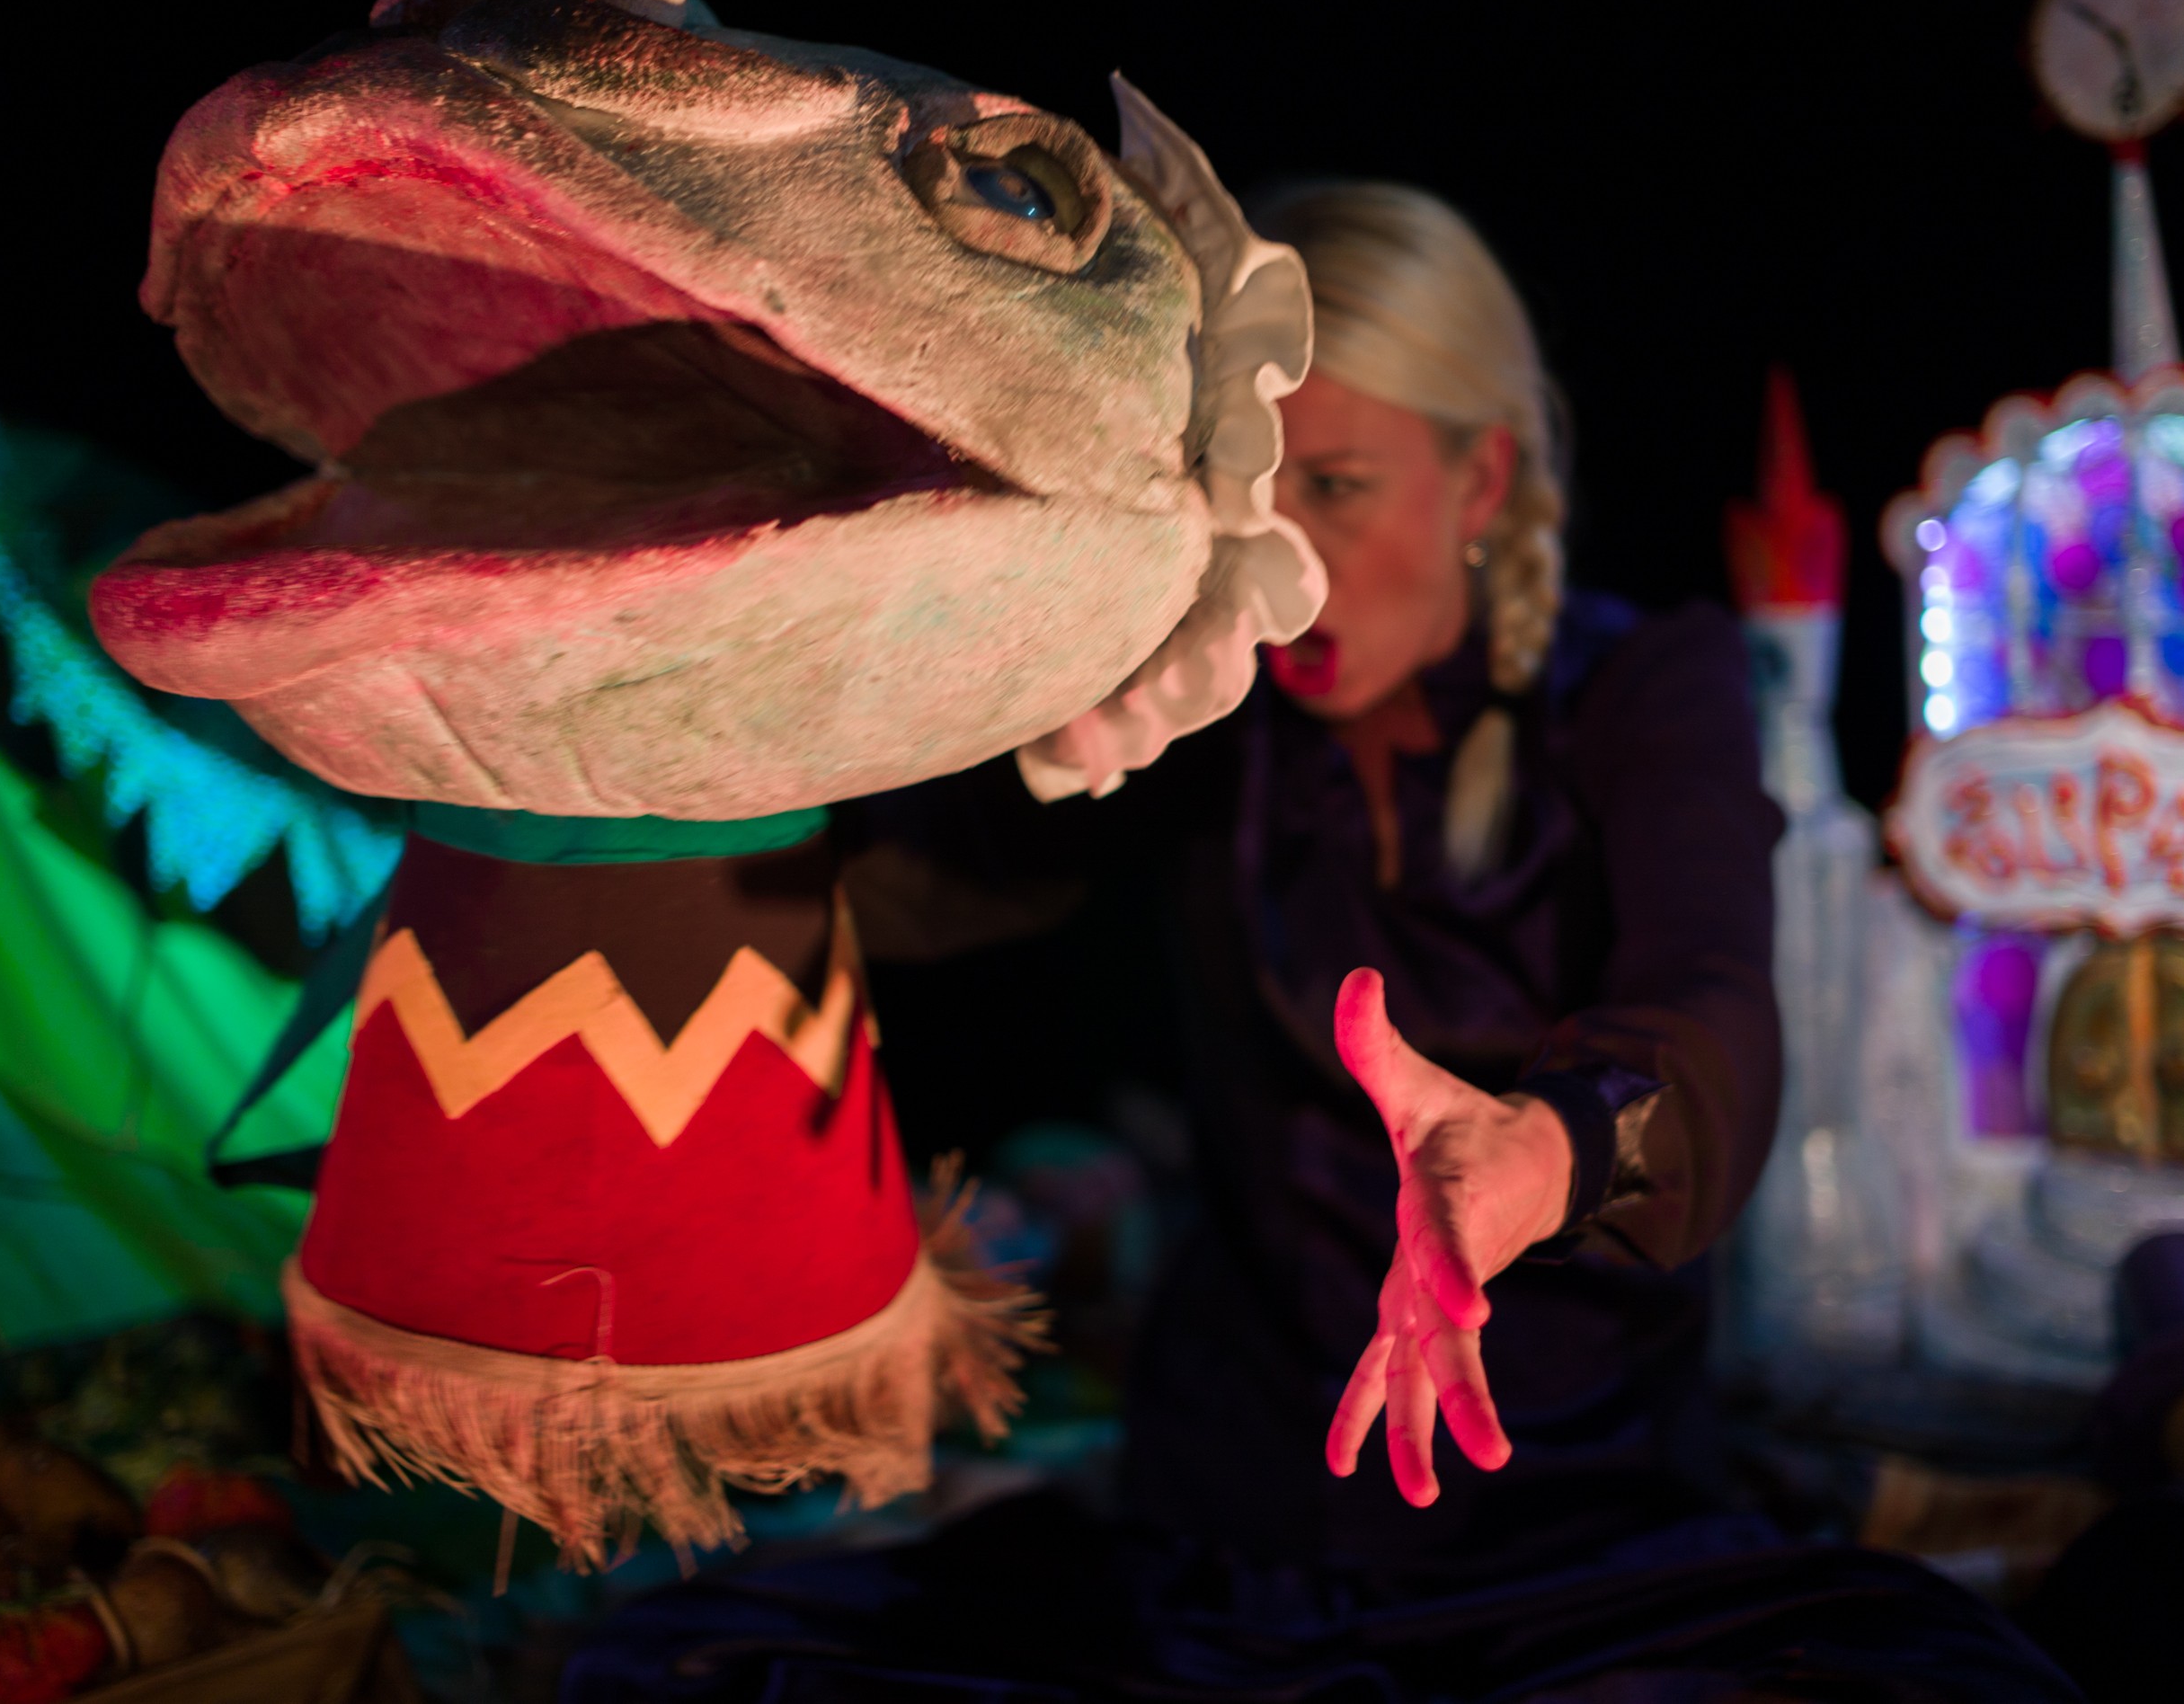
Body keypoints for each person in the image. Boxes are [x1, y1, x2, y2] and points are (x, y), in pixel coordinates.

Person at [562, 184, 2077, 1702]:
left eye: (1341, 487)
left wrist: (1540, 1156)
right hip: (1221, 1542)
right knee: (677, 1663)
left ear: (1481, 483)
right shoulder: (1210, 713)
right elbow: (902, 882)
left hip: (1575, 1540)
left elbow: (1716, 1005)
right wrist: (921, 684)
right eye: (1247, 492)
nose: (1285, 553)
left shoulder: (1642, 688)